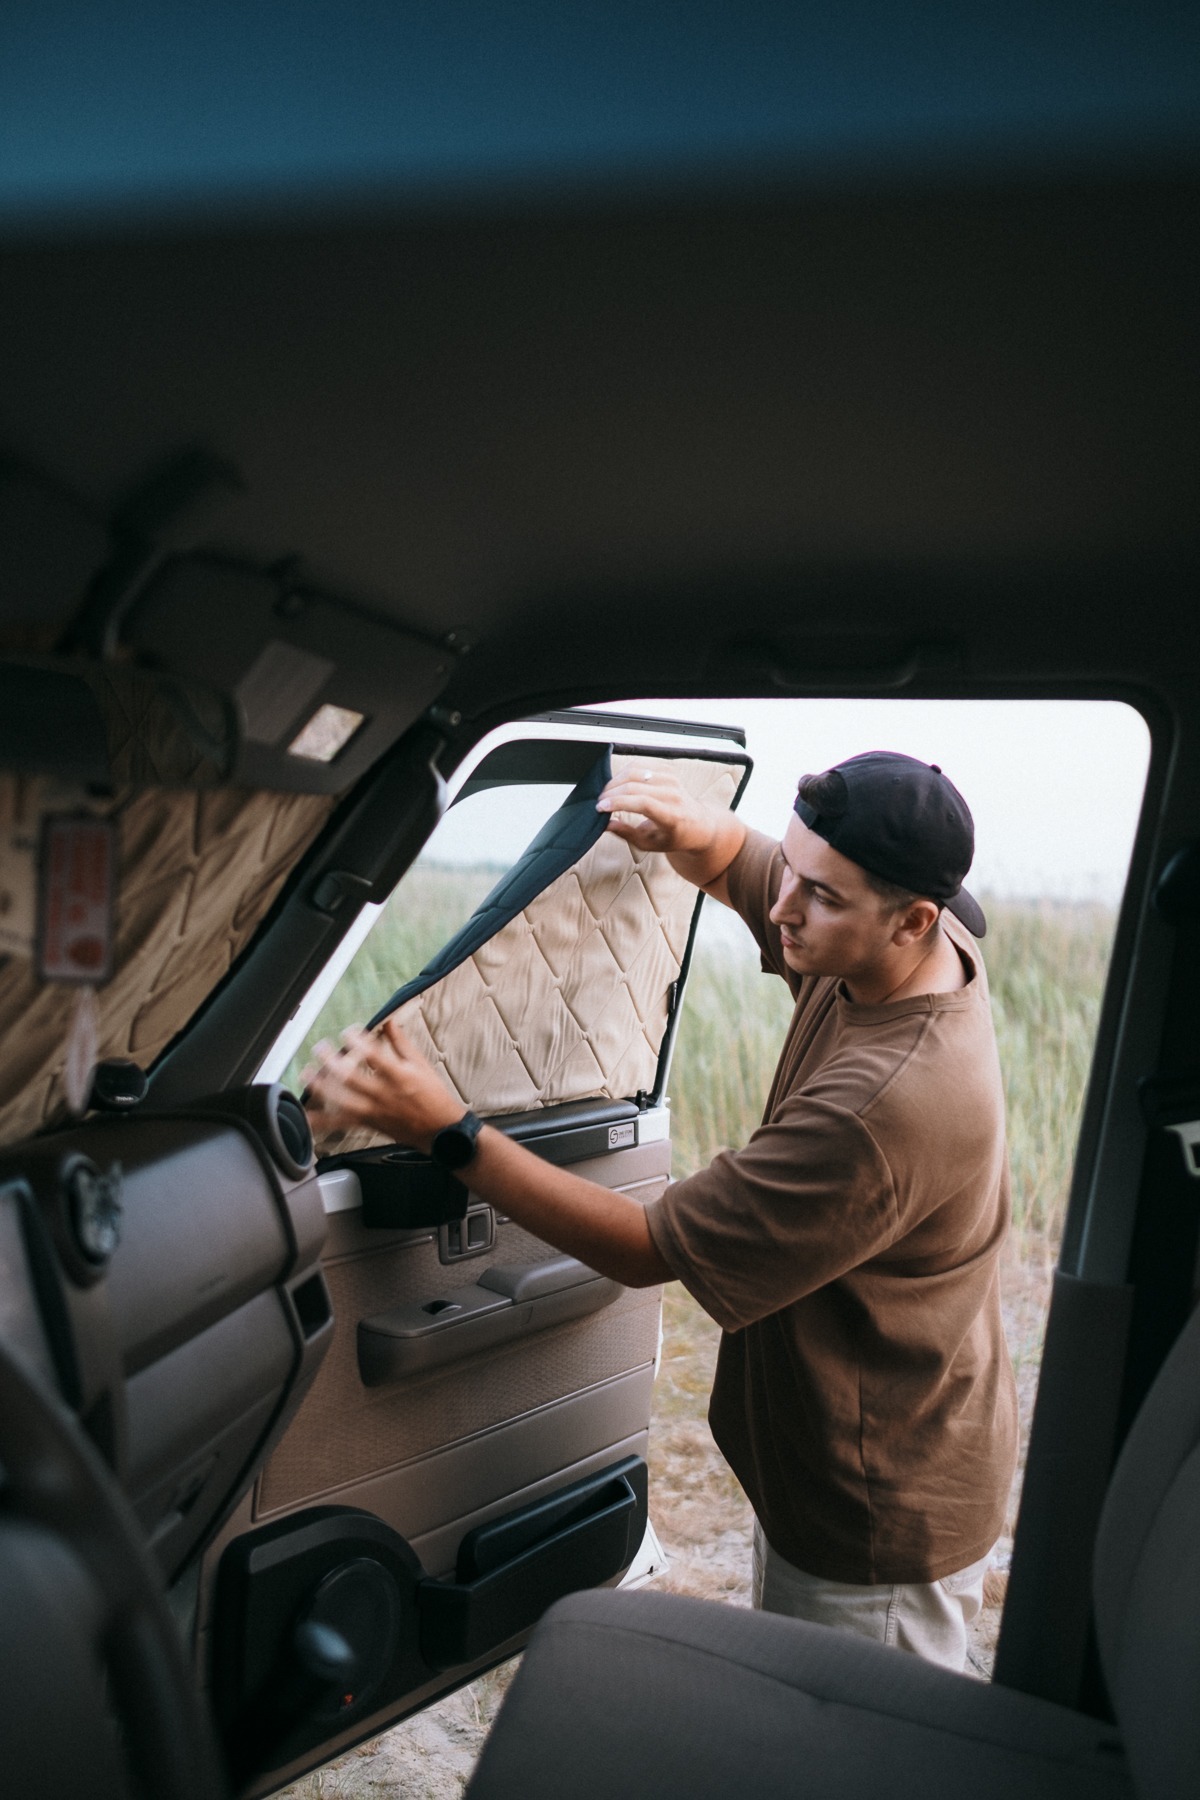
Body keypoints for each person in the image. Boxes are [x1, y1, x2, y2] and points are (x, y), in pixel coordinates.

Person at [304, 750, 1018, 1673]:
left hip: (874, 1501)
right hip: (865, 1449)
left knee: (850, 1755)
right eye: (793, 872)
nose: (786, 909)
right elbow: (740, 862)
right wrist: (695, 828)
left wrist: (447, 1129)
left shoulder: (886, 1106)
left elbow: (645, 1247)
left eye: (824, 897)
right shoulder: (895, 952)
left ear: (915, 920)